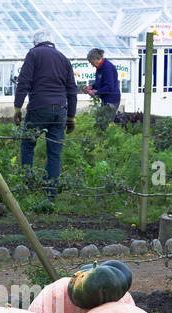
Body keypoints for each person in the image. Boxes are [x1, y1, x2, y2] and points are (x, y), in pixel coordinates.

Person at [13, 29, 77, 200]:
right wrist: (71, 117)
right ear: (52, 42)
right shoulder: (63, 58)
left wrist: (17, 107)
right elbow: (72, 90)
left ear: (36, 43)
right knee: (54, 152)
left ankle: (27, 187)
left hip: (39, 107)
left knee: (27, 145)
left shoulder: (33, 54)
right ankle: (50, 195)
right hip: (60, 110)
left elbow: (24, 81)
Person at [85, 47, 121, 130]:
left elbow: (109, 86)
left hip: (112, 99)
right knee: (104, 122)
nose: (91, 64)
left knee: (106, 123)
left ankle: (110, 139)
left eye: (91, 62)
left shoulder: (107, 67)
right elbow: (99, 84)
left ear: (96, 59)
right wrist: (91, 86)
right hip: (106, 99)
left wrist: (95, 92)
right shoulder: (99, 68)